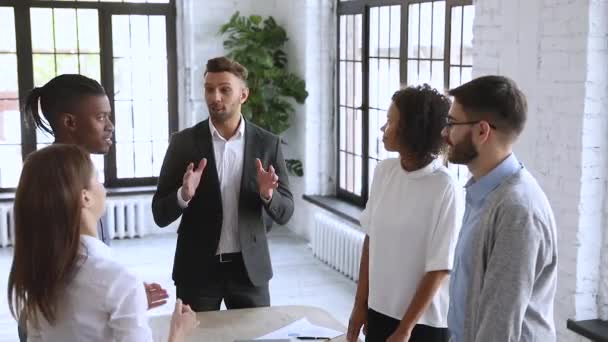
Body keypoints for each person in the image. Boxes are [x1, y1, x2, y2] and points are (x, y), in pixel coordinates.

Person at [18, 74, 169, 340]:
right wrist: (114, 293)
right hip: (48, 321)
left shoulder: (83, 175)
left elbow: (85, 277)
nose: (110, 126)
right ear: (69, 122)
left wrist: (113, 297)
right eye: (101, 117)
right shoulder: (49, 182)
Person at [7, 144, 199, 342]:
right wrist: (178, 332)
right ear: (85, 197)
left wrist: (130, 304)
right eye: (97, 179)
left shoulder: (40, 279)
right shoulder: (118, 281)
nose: (103, 186)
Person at [152, 56, 294, 312]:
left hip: (250, 271)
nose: (215, 97)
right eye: (209, 89)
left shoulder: (267, 143)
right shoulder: (183, 143)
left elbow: (286, 211)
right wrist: (183, 195)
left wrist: (268, 195)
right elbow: (159, 213)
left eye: (224, 89)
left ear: (243, 95)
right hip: (197, 271)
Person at [443, 75, 558, 341]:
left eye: (451, 123)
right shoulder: (483, 192)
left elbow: (499, 327)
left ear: (482, 131)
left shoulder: (518, 211)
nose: (444, 133)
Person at [346, 85, 463, 342]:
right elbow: (371, 240)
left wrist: (405, 329)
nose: (382, 128)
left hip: (423, 322)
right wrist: (360, 304)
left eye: (390, 121)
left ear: (412, 129)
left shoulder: (445, 187)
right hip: (379, 311)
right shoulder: (384, 172)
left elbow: (440, 267)